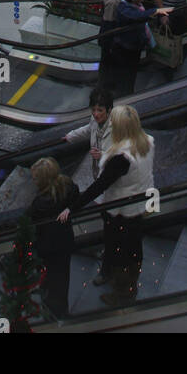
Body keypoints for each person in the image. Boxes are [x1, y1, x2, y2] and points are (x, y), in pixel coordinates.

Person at [57, 104, 155, 307]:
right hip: (141, 203)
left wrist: (72, 208)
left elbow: (100, 186)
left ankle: (123, 292)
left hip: (121, 211)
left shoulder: (121, 158)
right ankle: (127, 283)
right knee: (134, 246)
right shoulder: (147, 141)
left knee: (119, 250)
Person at [102, 0, 170, 96]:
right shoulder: (123, 8)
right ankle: (124, 97)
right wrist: (156, 11)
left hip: (134, 47)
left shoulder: (133, 2)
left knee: (131, 74)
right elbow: (136, 16)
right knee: (126, 77)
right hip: (126, 49)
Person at [28, 158, 79, 319]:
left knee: (48, 279)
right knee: (62, 278)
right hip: (64, 241)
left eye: (35, 177)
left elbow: (24, 221)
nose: (33, 180)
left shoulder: (40, 203)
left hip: (46, 247)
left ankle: (51, 310)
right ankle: (61, 310)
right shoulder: (68, 186)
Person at [63, 86, 114, 173]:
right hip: (98, 169)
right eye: (93, 110)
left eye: (100, 110)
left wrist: (103, 155)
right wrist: (70, 136)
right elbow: (89, 129)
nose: (96, 114)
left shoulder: (117, 127)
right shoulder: (94, 120)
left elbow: (123, 153)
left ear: (109, 110)